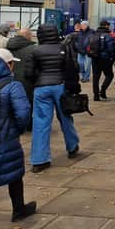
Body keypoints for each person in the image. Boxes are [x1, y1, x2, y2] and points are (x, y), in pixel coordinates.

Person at [25, 24, 81, 173]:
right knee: (65, 117)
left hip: (41, 87)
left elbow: (29, 73)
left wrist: (39, 79)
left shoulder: (35, 50)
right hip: (60, 86)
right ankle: (72, 146)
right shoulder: (63, 48)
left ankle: (39, 160)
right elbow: (73, 67)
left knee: (40, 123)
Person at [0, 48, 36, 222]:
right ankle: (19, 210)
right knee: (14, 175)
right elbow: (24, 113)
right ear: (8, 65)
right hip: (5, 137)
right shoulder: (12, 85)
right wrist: (17, 130)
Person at [6, 28, 36, 130]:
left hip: (10, 79)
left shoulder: (8, 47)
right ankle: (28, 124)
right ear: (28, 36)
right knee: (28, 103)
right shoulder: (33, 49)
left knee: (11, 101)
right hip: (27, 80)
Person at [90, 20, 115, 101]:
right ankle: (103, 90)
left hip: (95, 58)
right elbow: (111, 49)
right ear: (106, 26)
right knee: (109, 75)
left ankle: (96, 95)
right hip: (105, 59)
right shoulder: (108, 36)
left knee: (96, 77)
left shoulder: (94, 34)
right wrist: (113, 58)